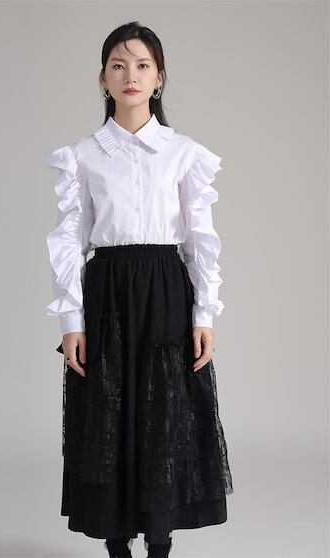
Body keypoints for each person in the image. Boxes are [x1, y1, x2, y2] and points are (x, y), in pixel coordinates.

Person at [45, 21, 233, 558]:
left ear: (159, 78)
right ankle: (116, 544)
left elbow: (199, 240)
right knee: (108, 412)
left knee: (163, 413)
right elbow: (69, 239)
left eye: (142, 65)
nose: (131, 75)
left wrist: (204, 314)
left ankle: (159, 541)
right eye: (119, 65)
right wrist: (71, 321)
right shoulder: (83, 155)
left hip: (166, 290)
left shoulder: (183, 153)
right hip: (106, 293)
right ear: (103, 78)